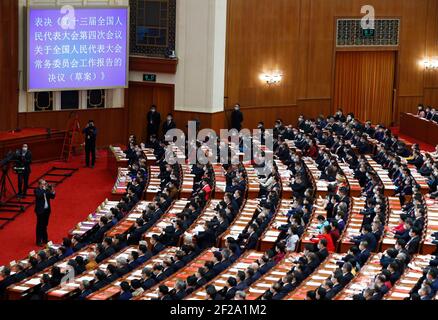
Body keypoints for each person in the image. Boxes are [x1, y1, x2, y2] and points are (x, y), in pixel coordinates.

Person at [34, 179, 56, 246]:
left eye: (45, 183)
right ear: (40, 184)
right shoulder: (37, 190)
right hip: (40, 211)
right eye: (44, 183)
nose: (45, 184)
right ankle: (38, 241)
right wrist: (44, 190)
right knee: (39, 226)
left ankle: (45, 239)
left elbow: (52, 197)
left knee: (45, 225)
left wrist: (52, 190)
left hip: (47, 210)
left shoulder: (46, 190)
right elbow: (39, 196)